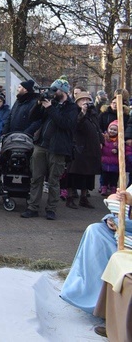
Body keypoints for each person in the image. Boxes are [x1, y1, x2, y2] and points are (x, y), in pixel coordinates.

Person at [60, 186, 132, 314]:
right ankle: (85, 293)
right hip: (123, 231)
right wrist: (112, 218)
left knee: (113, 252)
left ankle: (109, 309)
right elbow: (117, 203)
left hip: (128, 238)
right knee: (95, 231)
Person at [21, 77, 79, 220]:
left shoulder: (71, 107)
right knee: (36, 178)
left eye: (55, 90)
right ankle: (33, 207)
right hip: (41, 145)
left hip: (58, 149)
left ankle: (51, 209)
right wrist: (38, 104)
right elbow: (32, 117)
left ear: (63, 91)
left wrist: (50, 108)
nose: (52, 92)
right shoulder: (50, 103)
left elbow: (65, 124)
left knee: (53, 180)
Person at [65, 91, 102, 209]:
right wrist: (82, 113)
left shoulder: (93, 114)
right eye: (82, 100)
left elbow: (97, 128)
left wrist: (101, 140)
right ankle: (70, 197)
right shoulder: (75, 113)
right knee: (73, 174)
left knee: (89, 175)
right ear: (77, 102)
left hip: (91, 149)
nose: (85, 102)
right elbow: (76, 125)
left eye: (87, 100)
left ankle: (84, 198)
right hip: (79, 148)